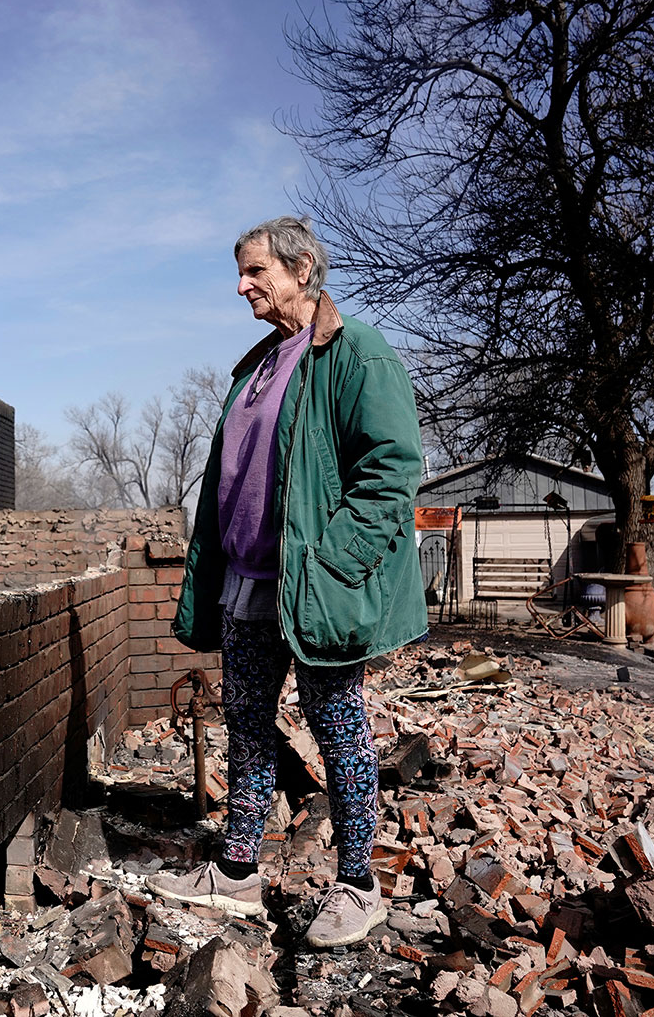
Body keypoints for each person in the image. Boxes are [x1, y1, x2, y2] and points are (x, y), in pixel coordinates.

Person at [149, 216, 427, 948]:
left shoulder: (354, 351)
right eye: (240, 274)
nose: (242, 286)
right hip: (247, 583)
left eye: (254, 272)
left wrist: (336, 562)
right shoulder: (260, 365)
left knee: (340, 731)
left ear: (302, 270)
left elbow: (393, 467)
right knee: (246, 726)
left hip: (315, 586)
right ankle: (238, 868)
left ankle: (359, 885)